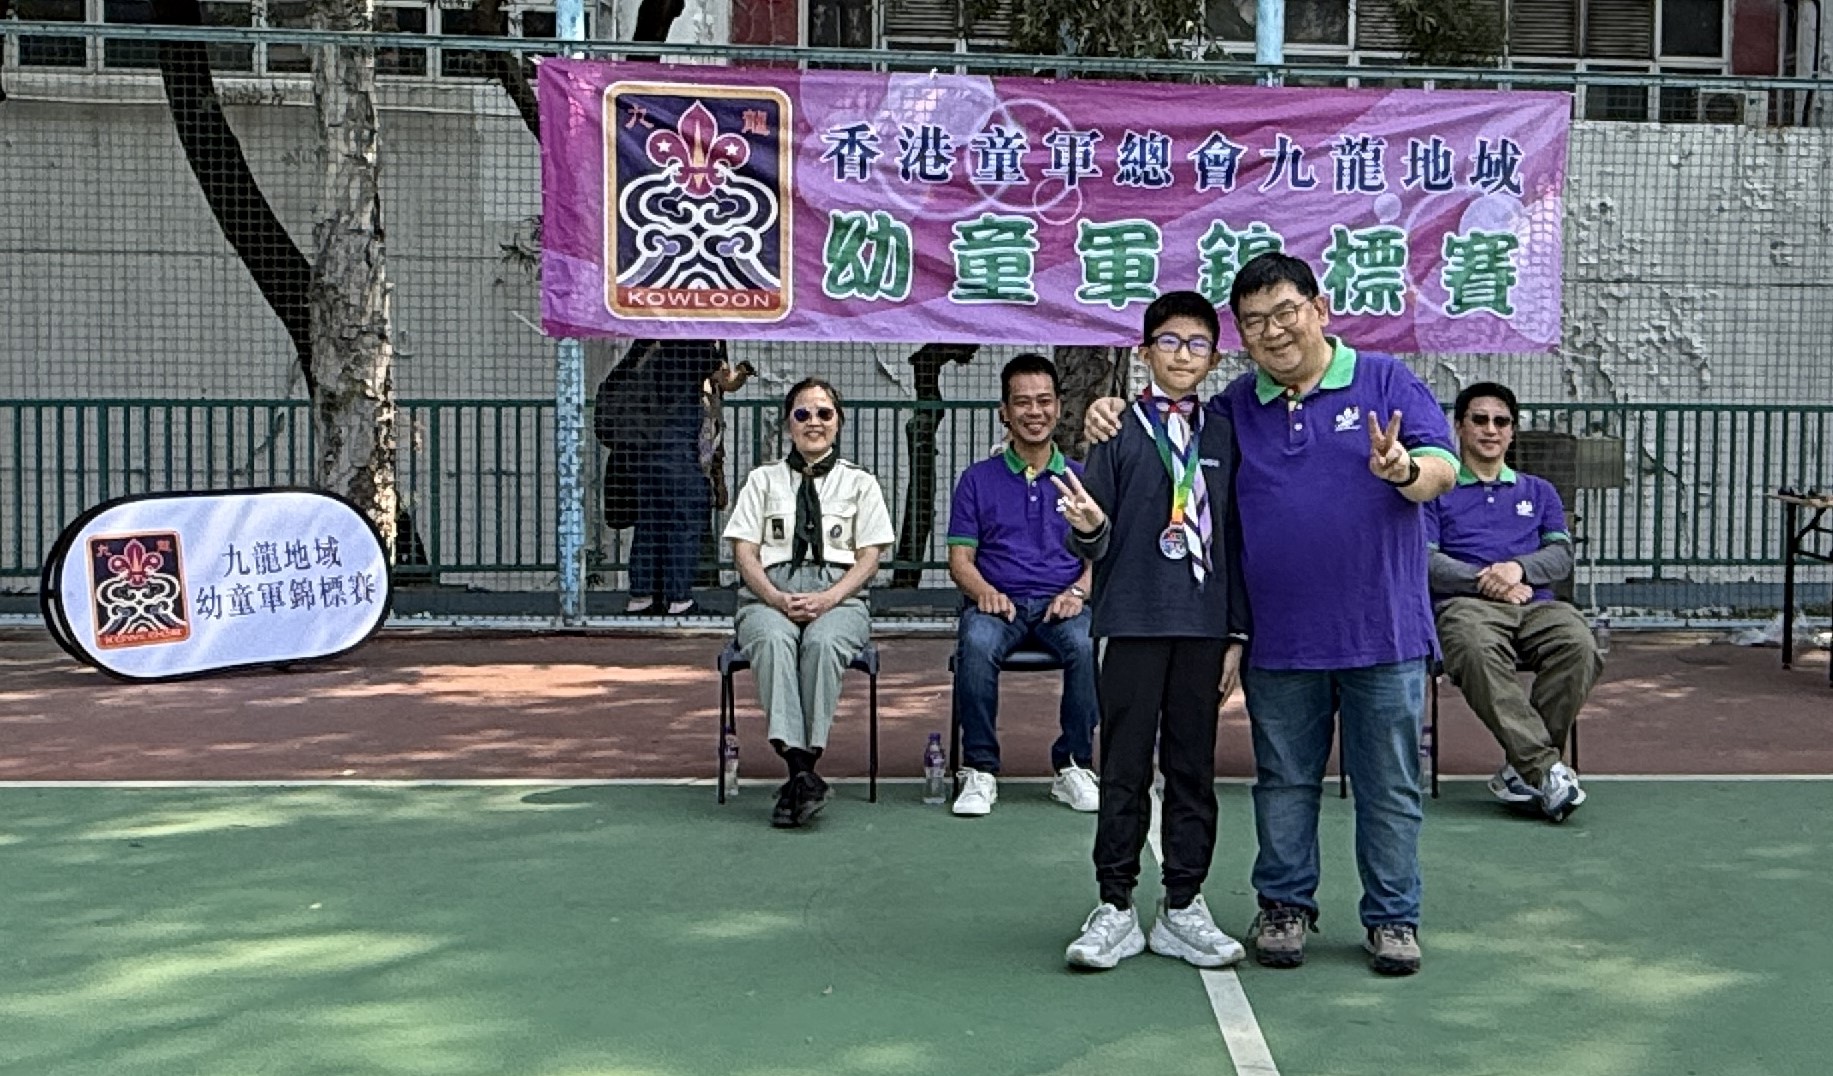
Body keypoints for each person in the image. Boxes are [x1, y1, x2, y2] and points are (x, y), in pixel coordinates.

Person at [1085, 253, 1458, 976]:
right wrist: (1110, 410)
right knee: (1283, 781)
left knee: (1387, 784)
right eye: (1254, 322)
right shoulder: (1234, 407)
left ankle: (1392, 916)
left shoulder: (1384, 380)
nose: (1273, 331)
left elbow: (1441, 468)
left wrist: (1404, 470)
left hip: (1382, 632)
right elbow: (1171, 427)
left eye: (1285, 312)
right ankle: (1284, 905)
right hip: (1280, 638)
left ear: (1319, 310)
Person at [1055, 291, 1252, 971]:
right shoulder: (1113, 431)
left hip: (1203, 627)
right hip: (1131, 621)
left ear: (1214, 359)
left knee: (1193, 769)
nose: (1182, 355)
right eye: (1168, 341)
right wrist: (1087, 528)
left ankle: (1183, 905)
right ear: (1144, 353)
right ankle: (1114, 904)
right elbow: (1093, 533)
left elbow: (1236, 540)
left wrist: (1236, 635)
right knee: (1124, 766)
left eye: (1197, 344)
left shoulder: (1225, 433)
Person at [723, 379, 895, 828]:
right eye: (802, 414)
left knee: (822, 643)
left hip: (840, 595)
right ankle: (803, 773)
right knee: (772, 641)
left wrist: (830, 598)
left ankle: (800, 772)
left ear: (838, 422)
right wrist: (776, 598)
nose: (813, 422)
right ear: (788, 423)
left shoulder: (860, 483)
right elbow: (744, 552)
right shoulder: (761, 480)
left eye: (824, 413)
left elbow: (870, 557)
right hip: (769, 593)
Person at [1427, 381, 1602, 823]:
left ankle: (1524, 770)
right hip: (1465, 606)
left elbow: (1560, 555)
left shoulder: (1539, 491)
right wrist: (1489, 581)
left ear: (1512, 431)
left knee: (1580, 645)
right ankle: (1544, 769)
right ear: (1459, 426)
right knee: (1473, 648)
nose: (1491, 429)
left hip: (1536, 605)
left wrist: (1517, 569)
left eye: (1501, 422)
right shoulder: (1437, 490)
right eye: (1480, 420)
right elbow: (1425, 562)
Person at [946, 353, 1100, 817]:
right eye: (1023, 402)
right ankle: (979, 770)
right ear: (1004, 412)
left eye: (1044, 401)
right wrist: (984, 593)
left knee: (1087, 644)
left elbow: (1100, 556)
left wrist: (1078, 592)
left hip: (1063, 605)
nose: (1035, 412)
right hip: (1000, 606)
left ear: (1058, 407)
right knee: (976, 642)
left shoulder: (1082, 478)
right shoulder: (976, 479)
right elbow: (960, 561)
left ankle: (1073, 766)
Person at [600, 339, 726, 617]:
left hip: (642, 450)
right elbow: (724, 377)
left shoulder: (646, 344)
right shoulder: (692, 342)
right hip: (676, 451)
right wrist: (738, 368)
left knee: (649, 523)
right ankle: (679, 599)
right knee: (685, 522)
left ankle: (641, 596)